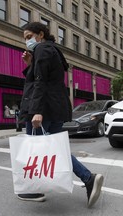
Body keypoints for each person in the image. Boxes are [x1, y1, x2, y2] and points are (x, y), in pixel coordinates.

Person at [18, 22, 104, 208]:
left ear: (40, 35)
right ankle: (89, 178)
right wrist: (30, 64)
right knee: (56, 149)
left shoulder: (41, 49)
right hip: (55, 109)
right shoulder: (53, 50)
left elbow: (40, 82)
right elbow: (47, 78)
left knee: (36, 149)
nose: (27, 41)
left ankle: (34, 188)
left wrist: (37, 111)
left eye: (28, 36)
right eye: (25, 38)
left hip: (44, 109)